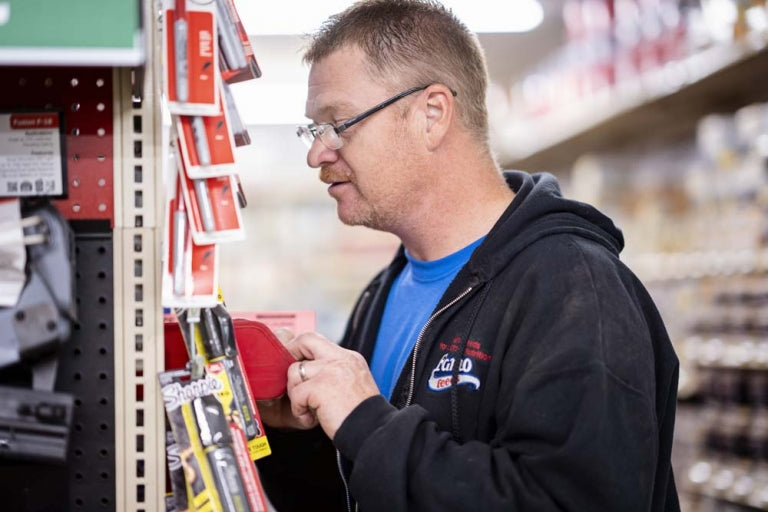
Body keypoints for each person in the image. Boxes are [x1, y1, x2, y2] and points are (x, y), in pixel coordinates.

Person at [255, 1, 680, 511]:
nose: (316, 153)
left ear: (432, 114)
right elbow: (362, 487)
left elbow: (569, 501)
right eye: (313, 129)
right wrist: (291, 432)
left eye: (338, 123)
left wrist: (367, 423)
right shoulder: (386, 291)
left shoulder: (573, 287)